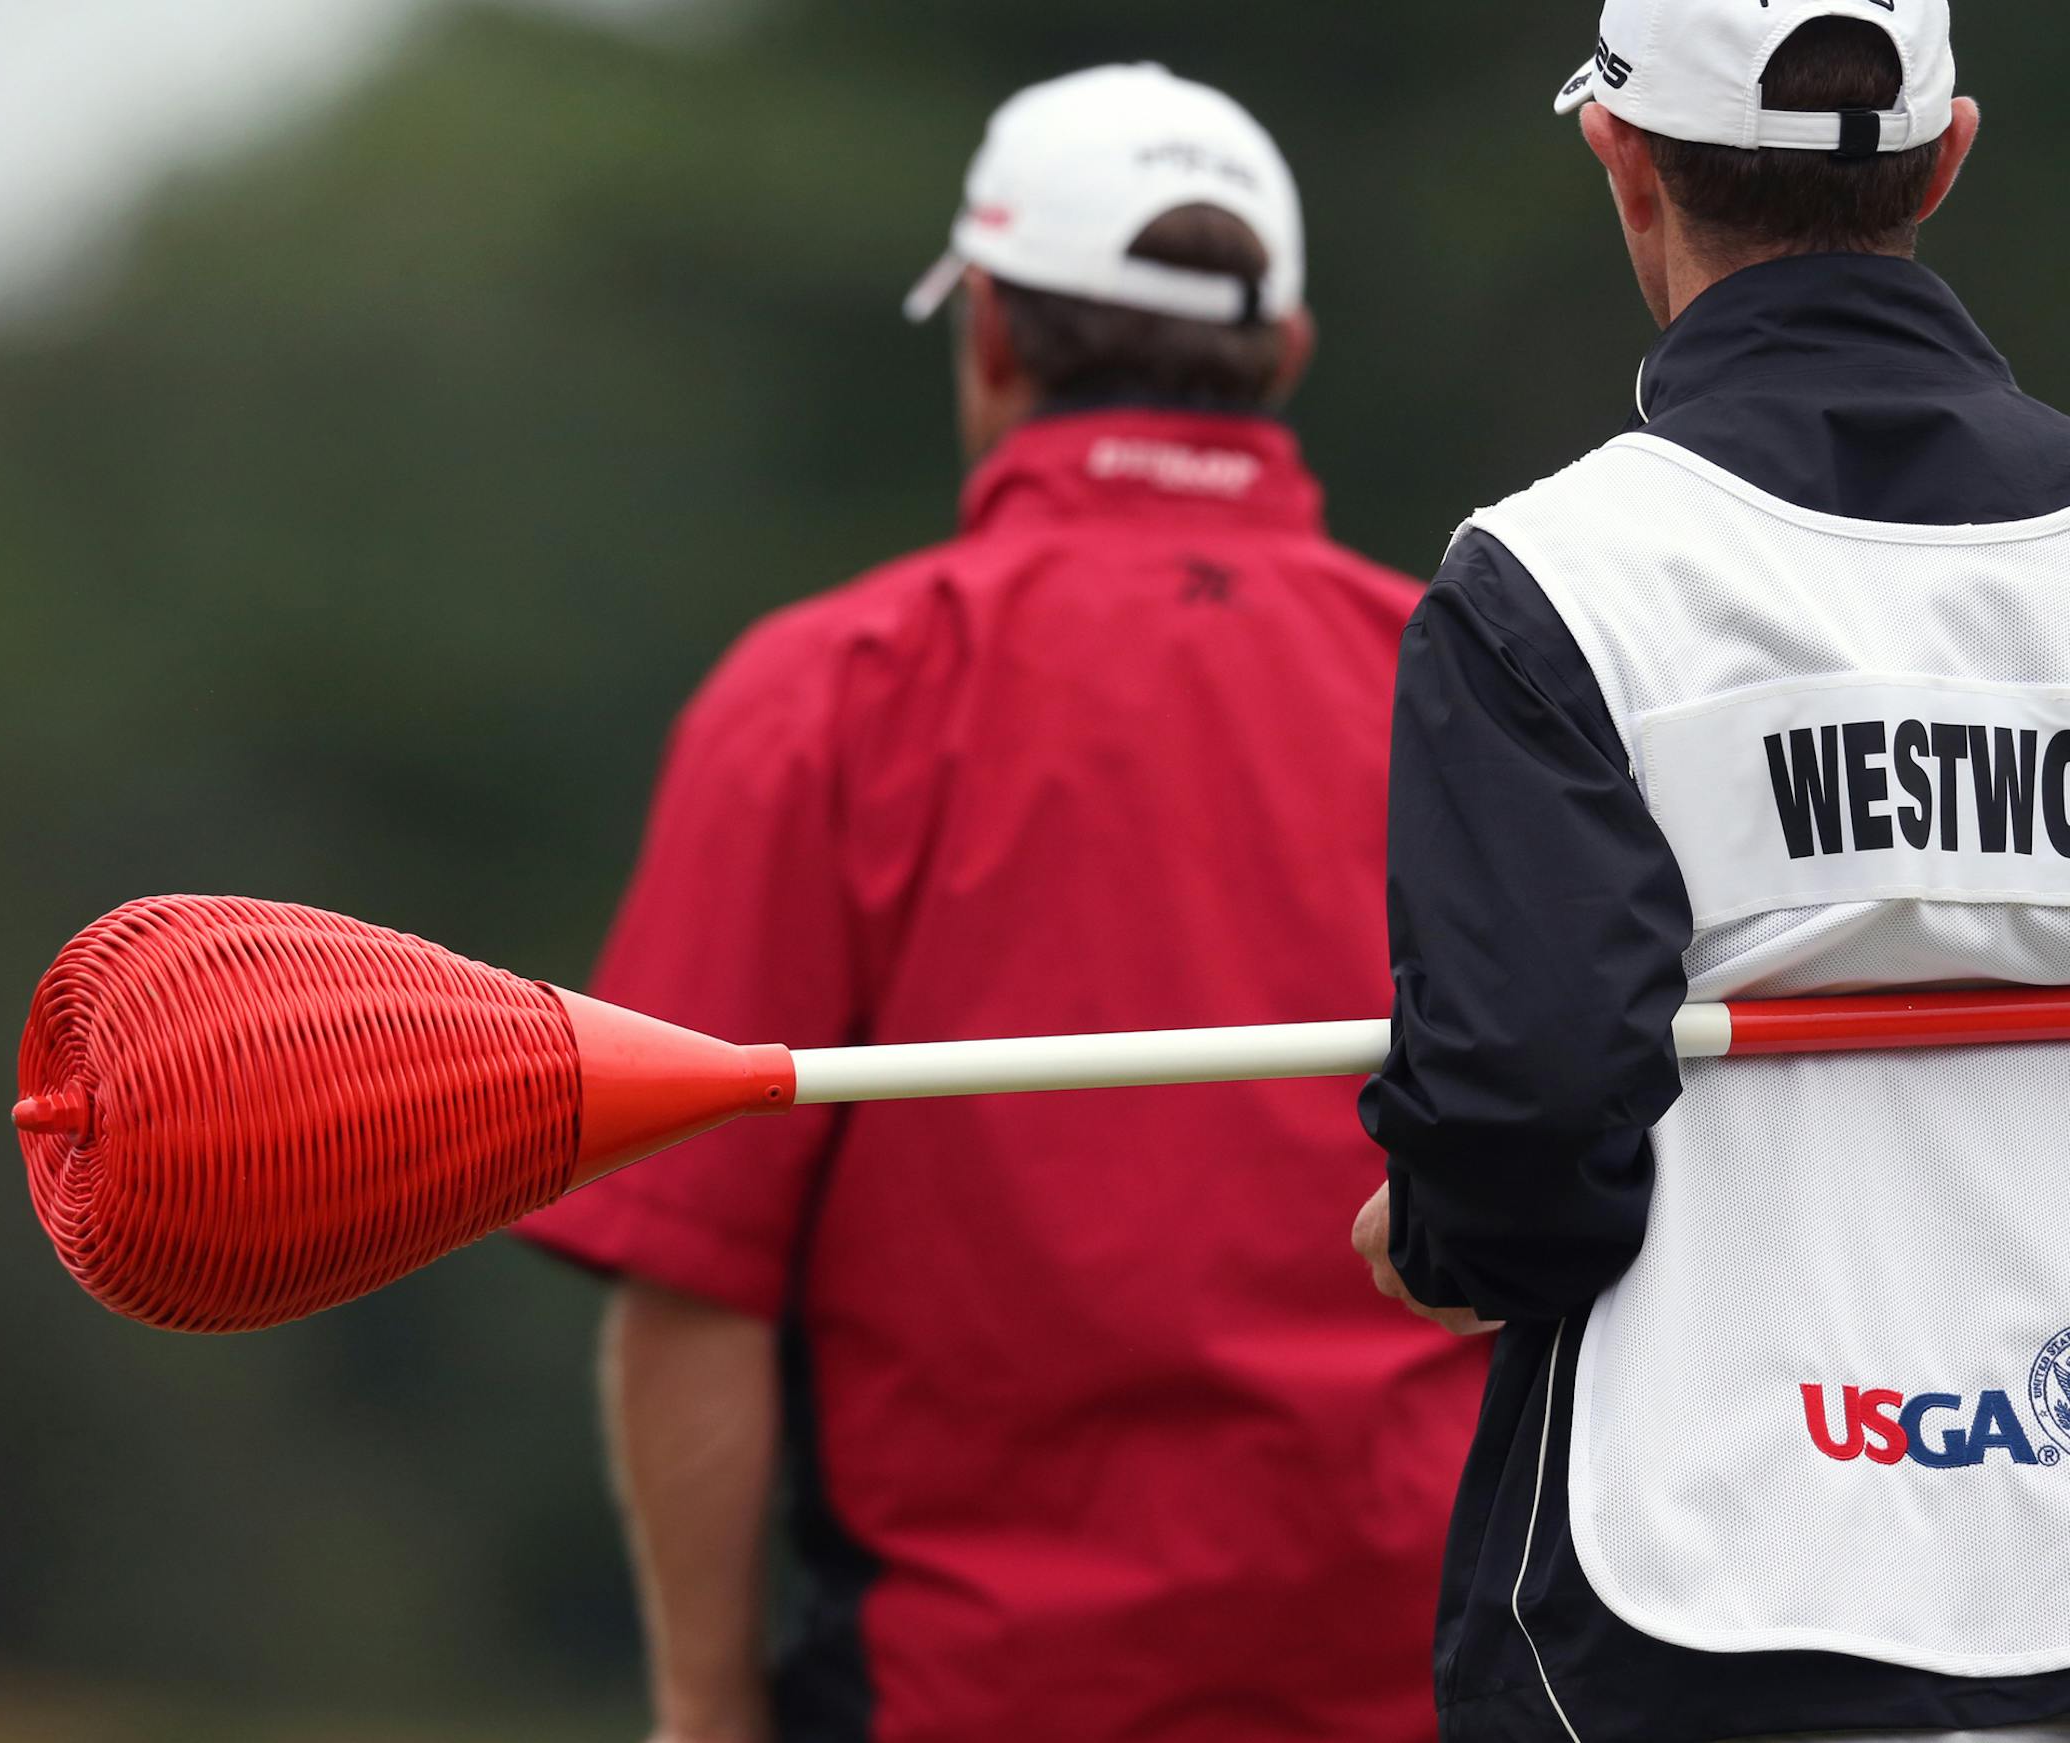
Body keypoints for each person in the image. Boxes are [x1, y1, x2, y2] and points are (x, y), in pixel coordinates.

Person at [517, 62, 1489, 1743]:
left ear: (986, 335)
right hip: (1445, 1684)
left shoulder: (818, 696)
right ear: (1290, 357)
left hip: (965, 1696)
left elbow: (696, 1281)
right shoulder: (1492, 683)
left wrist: (698, 1708)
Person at [1351, 1, 2070, 1739]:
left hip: (1699, 1582)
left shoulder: (1549, 575)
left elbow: (1525, 1092)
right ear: (1948, 153)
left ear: (1623, 161)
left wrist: (1443, 1237)